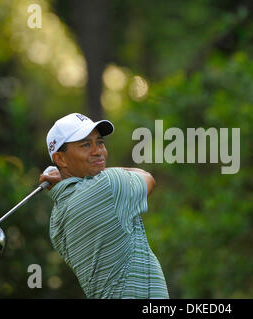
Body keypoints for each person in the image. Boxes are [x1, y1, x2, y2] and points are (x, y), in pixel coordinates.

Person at [39, 113, 169, 299]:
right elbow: (147, 177)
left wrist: (67, 174)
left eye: (99, 142)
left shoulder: (56, 220)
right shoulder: (107, 186)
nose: (98, 151)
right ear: (60, 159)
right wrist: (82, 174)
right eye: (85, 145)